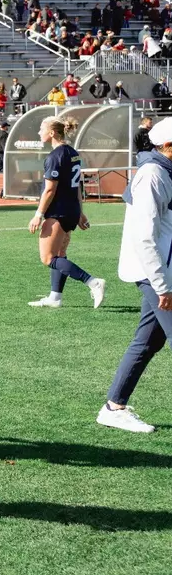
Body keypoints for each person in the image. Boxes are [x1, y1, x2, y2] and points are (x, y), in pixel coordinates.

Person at [101, 116, 172, 433]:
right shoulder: (153, 175)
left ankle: (113, 407)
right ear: (167, 147)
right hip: (153, 273)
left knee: (148, 341)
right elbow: (144, 237)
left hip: (161, 271)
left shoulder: (163, 172)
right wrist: (162, 285)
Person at [27, 117, 106, 309]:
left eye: (41, 129)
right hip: (71, 210)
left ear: (52, 132)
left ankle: (93, 282)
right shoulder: (73, 153)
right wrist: (80, 212)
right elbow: (77, 186)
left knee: (48, 258)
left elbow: (49, 190)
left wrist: (38, 214)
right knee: (60, 254)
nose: (39, 132)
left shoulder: (55, 156)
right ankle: (55, 297)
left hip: (58, 212)